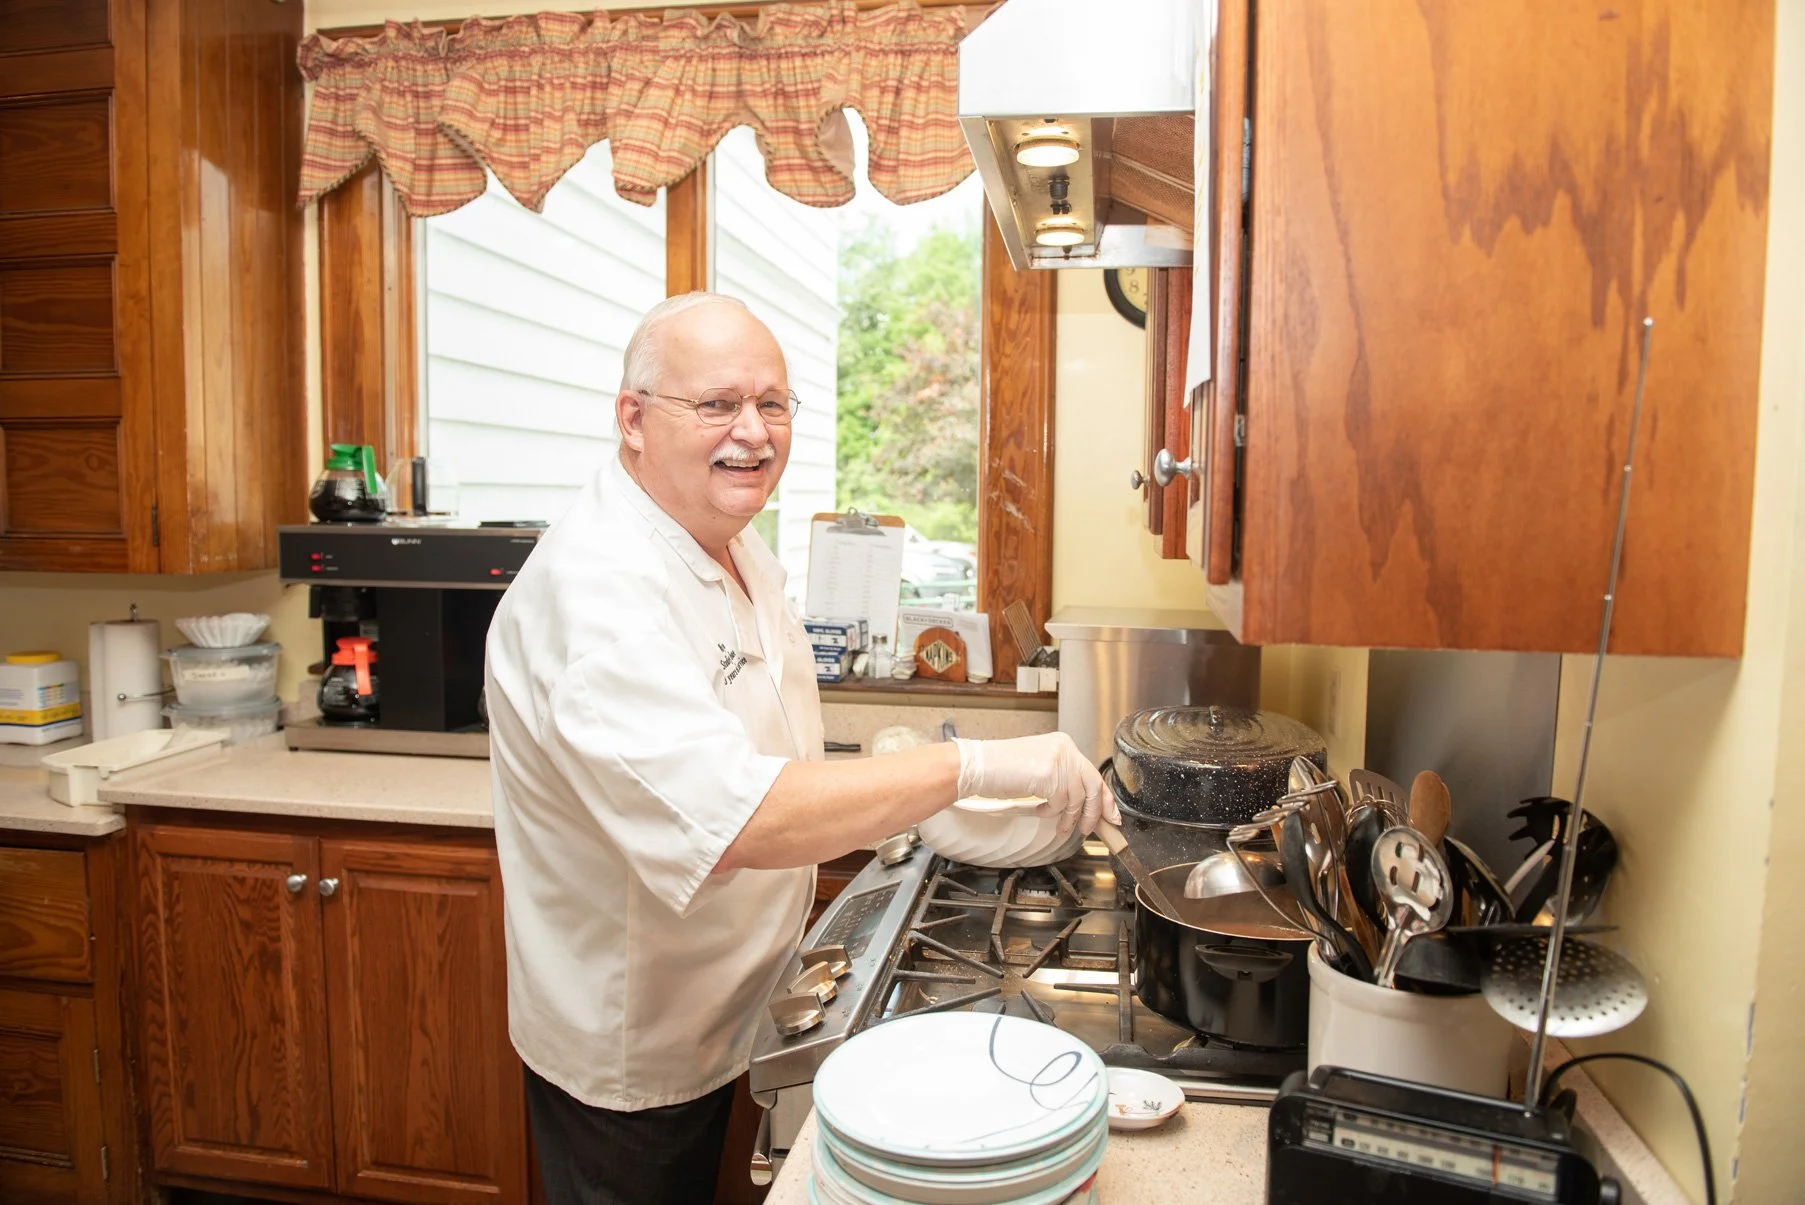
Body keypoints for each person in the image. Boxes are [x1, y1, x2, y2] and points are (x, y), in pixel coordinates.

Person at [485, 292, 1114, 1205]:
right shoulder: (596, 596)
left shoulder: (729, 545)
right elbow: (740, 819)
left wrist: (901, 790)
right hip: (639, 1036)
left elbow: (767, 751)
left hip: (743, 1000)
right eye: (716, 404)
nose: (752, 431)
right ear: (632, 418)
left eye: (771, 403)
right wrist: (968, 765)